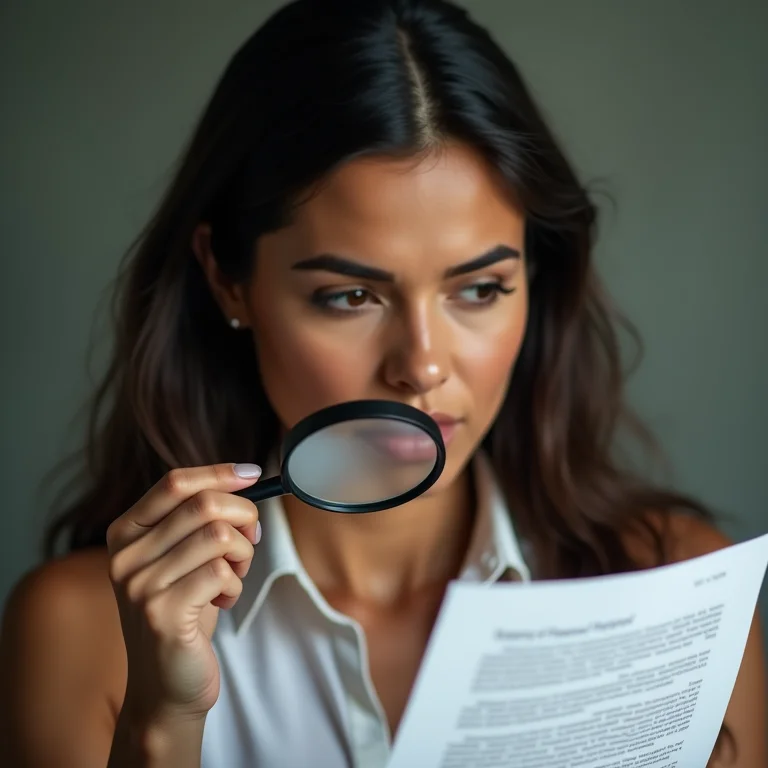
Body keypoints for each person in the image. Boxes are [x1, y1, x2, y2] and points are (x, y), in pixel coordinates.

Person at [1, 0, 765, 766]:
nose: (423, 366)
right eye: (350, 297)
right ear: (227, 279)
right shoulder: (83, 630)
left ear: (535, 277)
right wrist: (163, 723)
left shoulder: (679, 593)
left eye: (480, 289)